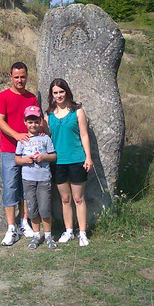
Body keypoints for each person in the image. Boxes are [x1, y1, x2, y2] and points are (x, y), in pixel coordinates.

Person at [44, 78, 94, 246]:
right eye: (55, 93)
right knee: (65, 199)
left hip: (77, 160)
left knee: (78, 198)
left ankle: (82, 233)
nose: (58, 95)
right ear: (51, 95)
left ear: (67, 92)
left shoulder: (77, 111)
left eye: (61, 92)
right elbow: (42, 134)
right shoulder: (48, 115)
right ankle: (69, 231)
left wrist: (88, 157)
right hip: (58, 162)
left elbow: (84, 135)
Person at [0, 62, 38, 246]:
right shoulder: (2, 97)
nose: (20, 80)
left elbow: (37, 120)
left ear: (27, 76)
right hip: (9, 150)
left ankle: (24, 223)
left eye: (23, 76)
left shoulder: (32, 98)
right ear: (11, 77)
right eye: (16, 77)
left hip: (28, 150)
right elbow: (0, 121)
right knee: (10, 187)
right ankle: (11, 228)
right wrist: (17, 136)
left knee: (26, 188)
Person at [15, 105, 57, 250]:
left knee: (45, 208)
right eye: (30, 122)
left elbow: (53, 156)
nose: (33, 125)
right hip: (28, 178)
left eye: (36, 121)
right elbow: (17, 159)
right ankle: (36, 236)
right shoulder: (23, 139)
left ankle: (48, 235)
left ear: (40, 122)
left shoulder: (45, 139)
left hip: (44, 178)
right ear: (25, 122)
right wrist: (25, 160)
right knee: (32, 209)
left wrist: (43, 157)